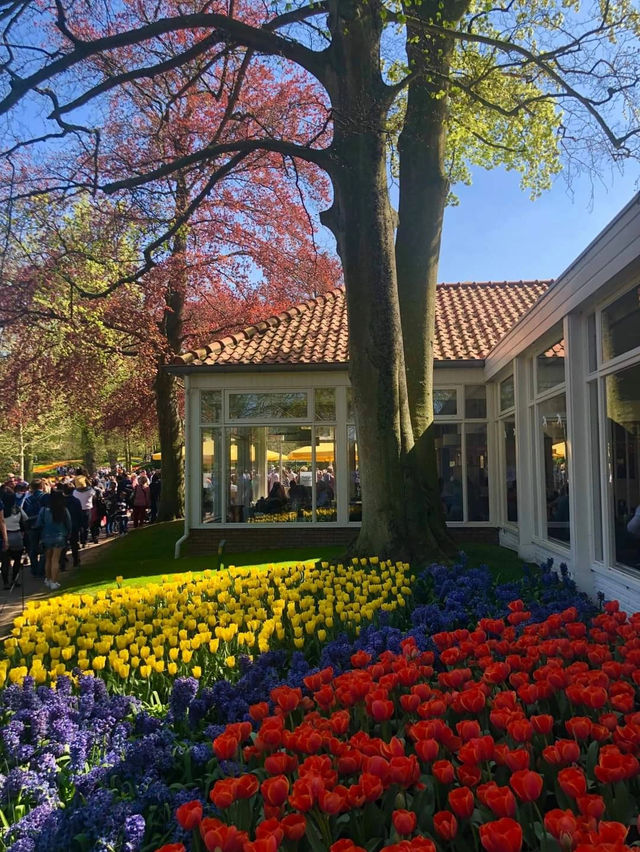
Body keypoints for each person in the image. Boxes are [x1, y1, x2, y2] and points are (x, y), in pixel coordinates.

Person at [35, 489, 71, 591]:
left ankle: (48, 579)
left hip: (46, 536)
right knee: (56, 559)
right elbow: (69, 523)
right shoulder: (63, 510)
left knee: (48, 559)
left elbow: (39, 523)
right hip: (59, 536)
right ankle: (54, 582)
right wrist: (68, 533)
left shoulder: (44, 510)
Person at [1, 488, 27, 589]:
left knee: (5, 562)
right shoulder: (17, 509)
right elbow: (25, 518)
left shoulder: (2, 511)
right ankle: (14, 580)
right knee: (17, 560)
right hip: (16, 536)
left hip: (4, 536)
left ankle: (5, 582)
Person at [23, 479, 46, 578]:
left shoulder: (28, 500)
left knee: (33, 549)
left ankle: (34, 569)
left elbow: (24, 515)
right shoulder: (46, 498)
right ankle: (41, 569)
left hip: (32, 527)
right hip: (44, 527)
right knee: (44, 549)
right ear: (42, 486)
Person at [61, 483, 83, 569]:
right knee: (74, 544)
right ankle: (76, 560)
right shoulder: (76, 501)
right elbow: (80, 514)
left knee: (62, 545)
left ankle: (62, 563)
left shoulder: (60, 501)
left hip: (62, 526)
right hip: (74, 525)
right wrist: (81, 524)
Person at [73, 475, 95, 548]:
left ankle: (78, 541)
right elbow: (94, 492)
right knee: (86, 527)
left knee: (79, 527)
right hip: (87, 510)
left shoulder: (75, 492)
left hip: (78, 510)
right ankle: (84, 541)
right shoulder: (90, 491)